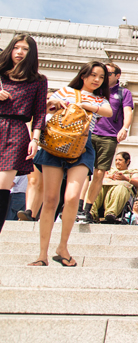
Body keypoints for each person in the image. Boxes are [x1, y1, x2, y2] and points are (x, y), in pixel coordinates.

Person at [29, 61, 112, 266]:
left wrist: (83, 105)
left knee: (73, 196)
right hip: (56, 143)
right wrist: (57, 104)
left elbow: (108, 111)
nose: (96, 80)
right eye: (93, 75)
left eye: (101, 77)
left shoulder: (100, 99)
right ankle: (42, 254)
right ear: (83, 75)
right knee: (50, 199)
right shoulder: (65, 91)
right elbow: (47, 106)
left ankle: (62, 247)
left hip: (82, 146)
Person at [0, 34, 47, 233]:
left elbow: (40, 112)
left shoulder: (38, 81)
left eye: (25, 49)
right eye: (16, 47)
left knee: (2, 187)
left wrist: (35, 138)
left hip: (17, 132)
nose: (19, 52)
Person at [77, 63, 133, 224]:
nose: (102, 77)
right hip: (88, 133)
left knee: (100, 173)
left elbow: (127, 112)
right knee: (83, 172)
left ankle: (87, 209)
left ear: (117, 76)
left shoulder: (124, 93)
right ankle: (78, 208)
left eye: (107, 74)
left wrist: (125, 128)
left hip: (109, 136)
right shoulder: (95, 90)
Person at [89, 152, 138, 223]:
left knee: (120, 187)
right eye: (116, 160)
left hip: (121, 194)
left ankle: (111, 213)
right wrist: (110, 176)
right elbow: (97, 177)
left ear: (127, 161)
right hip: (104, 194)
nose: (117, 162)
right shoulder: (109, 171)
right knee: (97, 187)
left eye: (120, 160)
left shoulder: (133, 172)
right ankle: (91, 213)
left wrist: (126, 179)